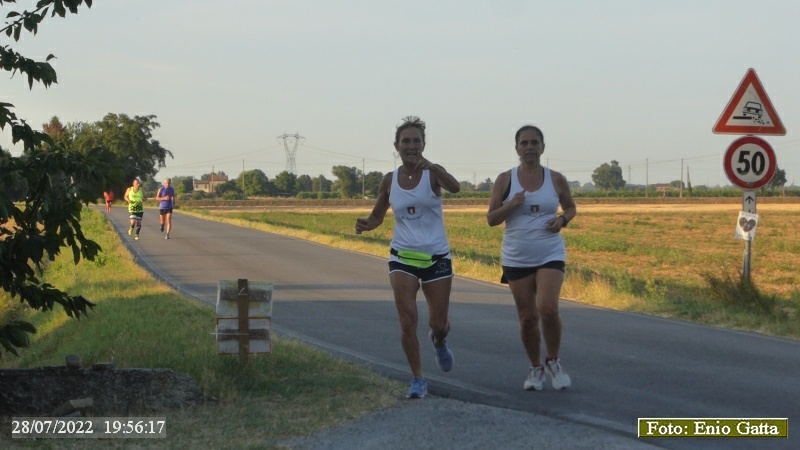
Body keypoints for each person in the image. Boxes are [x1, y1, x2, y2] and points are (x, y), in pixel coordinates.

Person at [355, 116, 461, 399]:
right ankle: (418, 378)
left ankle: (439, 341)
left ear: (423, 145)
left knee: (438, 323)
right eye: (406, 141)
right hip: (402, 256)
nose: (411, 146)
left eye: (416, 141)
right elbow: (378, 215)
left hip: (436, 256)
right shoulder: (390, 180)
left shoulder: (433, 174)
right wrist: (367, 224)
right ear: (397, 146)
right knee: (407, 318)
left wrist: (434, 167)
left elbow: (455, 188)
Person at [486, 125, 577, 391]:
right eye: (524, 143)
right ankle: (535, 367)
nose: (529, 148)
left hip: (550, 252)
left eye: (534, 143)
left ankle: (554, 361)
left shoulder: (555, 179)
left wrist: (562, 220)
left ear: (542, 147)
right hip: (517, 256)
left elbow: (570, 207)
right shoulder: (505, 180)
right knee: (527, 317)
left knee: (547, 307)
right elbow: (491, 219)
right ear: (517, 149)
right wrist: (511, 205)